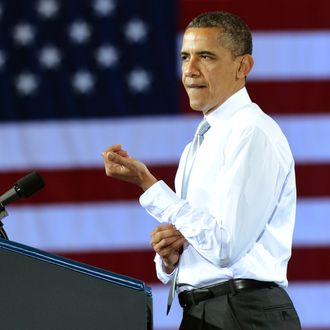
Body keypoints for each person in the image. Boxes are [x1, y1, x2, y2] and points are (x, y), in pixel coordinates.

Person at [102, 11, 301, 330]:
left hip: (243, 314)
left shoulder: (251, 133)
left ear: (242, 66)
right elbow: (202, 237)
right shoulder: (200, 142)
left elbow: (225, 247)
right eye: (185, 57)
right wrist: (171, 256)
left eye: (205, 57)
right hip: (202, 312)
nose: (190, 71)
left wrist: (147, 183)